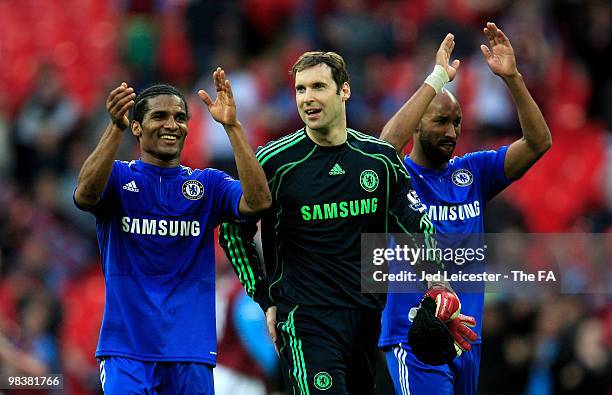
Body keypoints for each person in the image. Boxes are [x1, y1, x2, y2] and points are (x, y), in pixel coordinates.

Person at [219, 51, 437, 394]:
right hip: (306, 320)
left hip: (366, 319)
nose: (307, 98)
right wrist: (265, 298)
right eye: (300, 89)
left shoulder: (378, 160)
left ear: (344, 91)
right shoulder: (274, 162)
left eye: (318, 86)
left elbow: (414, 224)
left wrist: (437, 283)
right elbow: (233, 230)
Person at [73, 68, 272, 394]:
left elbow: (259, 201)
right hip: (127, 350)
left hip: (190, 350)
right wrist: (114, 128)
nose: (172, 124)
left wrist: (233, 128)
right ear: (137, 126)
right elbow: (84, 195)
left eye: (180, 118)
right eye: (160, 116)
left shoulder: (207, 185)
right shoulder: (119, 181)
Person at [379, 22, 552, 394]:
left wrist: (513, 78)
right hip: (415, 337)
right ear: (417, 123)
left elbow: (539, 142)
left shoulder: (472, 172)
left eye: (456, 122)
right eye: (440, 121)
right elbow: (384, 145)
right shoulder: (397, 175)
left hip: (466, 340)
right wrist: (437, 78)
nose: (451, 132)